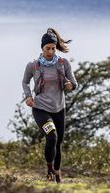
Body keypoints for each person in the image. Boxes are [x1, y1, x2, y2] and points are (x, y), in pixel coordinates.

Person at [21, 27, 78, 183]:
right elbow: (25, 82)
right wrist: (28, 97)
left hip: (59, 108)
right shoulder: (33, 65)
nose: (51, 51)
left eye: (53, 48)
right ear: (42, 48)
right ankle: (49, 171)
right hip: (40, 108)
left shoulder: (63, 63)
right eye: (48, 48)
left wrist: (69, 85)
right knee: (51, 136)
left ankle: (57, 175)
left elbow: (74, 83)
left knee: (58, 142)